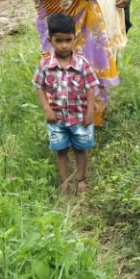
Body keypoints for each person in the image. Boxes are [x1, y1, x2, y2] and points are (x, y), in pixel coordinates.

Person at [33, 12, 97, 196]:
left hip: (79, 117)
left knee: (80, 149)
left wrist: (90, 112)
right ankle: (64, 182)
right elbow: (40, 87)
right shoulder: (45, 65)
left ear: (74, 38)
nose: (63, 45)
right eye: (59, 40)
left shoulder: (83, 64)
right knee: (60, 150)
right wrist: (47, 109)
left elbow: (91, 88)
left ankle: (81, 180)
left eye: (68, 40)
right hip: (57, 119)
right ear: (50, 39)